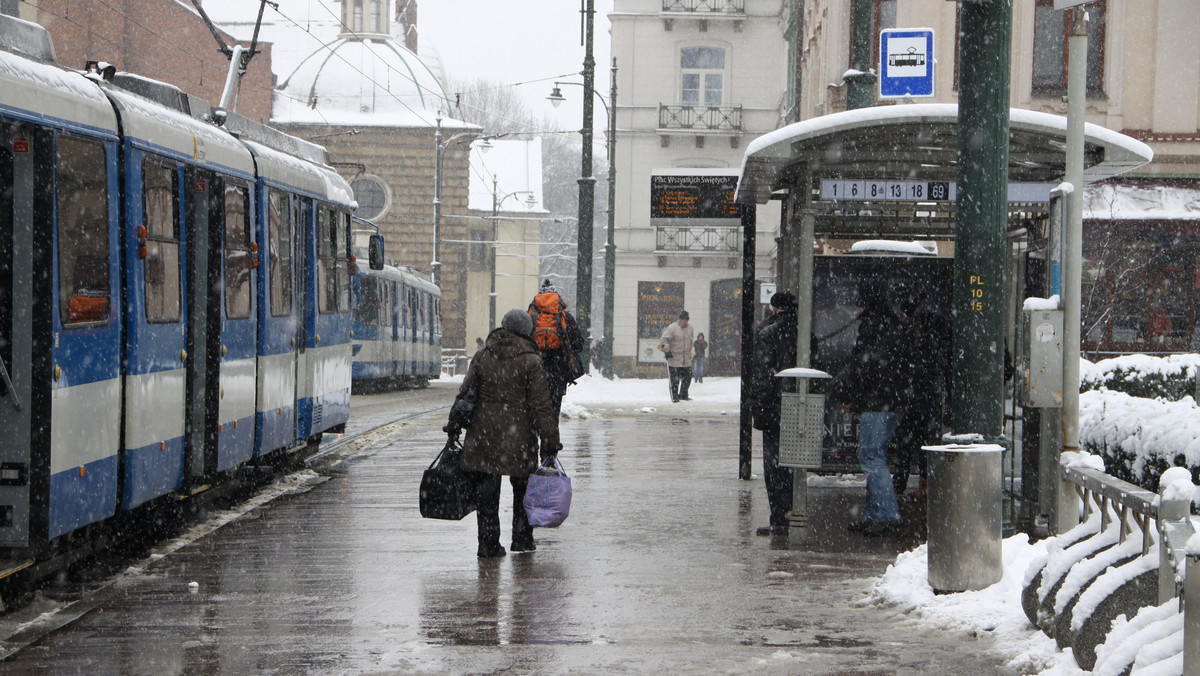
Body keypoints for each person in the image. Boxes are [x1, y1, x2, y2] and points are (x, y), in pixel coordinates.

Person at [448, 309, 562, 558]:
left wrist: (454, 425)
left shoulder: (483, 355)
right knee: (523, 489)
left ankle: (488, 545)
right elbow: (542, 405)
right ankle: (522, 540)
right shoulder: (531, 361)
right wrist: (550, 440)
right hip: (519, 438)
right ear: (527, 332)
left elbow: (465, 393)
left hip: (484, 435)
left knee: (487, 494)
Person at [830, 280, 909, 537]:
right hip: (893, 400)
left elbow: (862, 366)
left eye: (860, 302)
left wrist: (847, 393)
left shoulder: (871, 326)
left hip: (878, 402)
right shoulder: (894, 325)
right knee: (876, 456)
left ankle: (885, 514)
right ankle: (874, 513)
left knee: (871, 456)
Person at [888, 293, 951, 500]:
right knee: (927, 443)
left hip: (914, 395)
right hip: (930, 394)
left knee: (905, 444)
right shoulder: (936, 327)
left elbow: (902, 363)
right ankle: (924, 485)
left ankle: (899, 484)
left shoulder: (910, 334)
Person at [748, 292, 798, 536]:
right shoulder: (804, 332)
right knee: (793, 463)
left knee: (774, 465)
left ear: (775, 308)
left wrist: (758, 405)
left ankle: (779, 517)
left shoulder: (768, 333)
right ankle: (792, 513)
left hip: (775, 407)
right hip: (798, 407)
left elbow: (763, 374)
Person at [527, 280, 584, 416]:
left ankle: (534, 433)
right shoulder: (565, 316)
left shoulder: (529, 316)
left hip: (534, 370)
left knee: (534, 410)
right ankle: (551, 435)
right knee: (553, 411)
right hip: (558, 371)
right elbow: (578, 344)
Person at [658, 311, 695, 402]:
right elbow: (663, 340)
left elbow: (690, 342)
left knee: (687, 377)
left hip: (686, 359)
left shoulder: (690, 328)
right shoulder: (672, 328)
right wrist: (667, 351)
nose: (684, 322)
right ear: (679, 319)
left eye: (686, 320)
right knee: (675, 380)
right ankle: (674, 397)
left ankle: (683, 394)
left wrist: (691, 353)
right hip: (674, 358)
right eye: (683, 320)